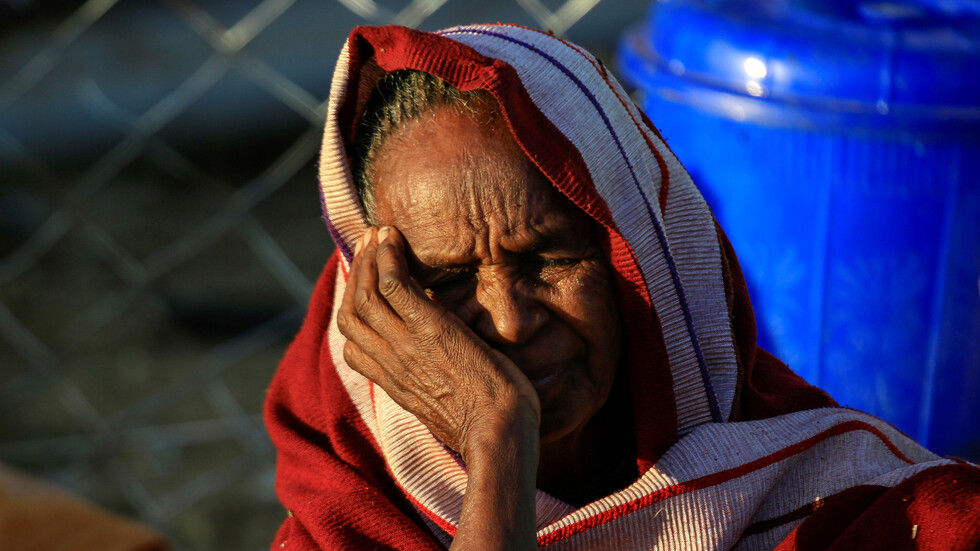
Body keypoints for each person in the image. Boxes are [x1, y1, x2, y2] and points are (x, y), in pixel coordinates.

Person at [264, 24, 980, 550]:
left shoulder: (854, 511)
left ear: (642, 256)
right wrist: (496, 445)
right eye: (449, 281)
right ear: (381, 308)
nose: (510, 322)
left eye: (547, 258)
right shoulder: (352, 515)